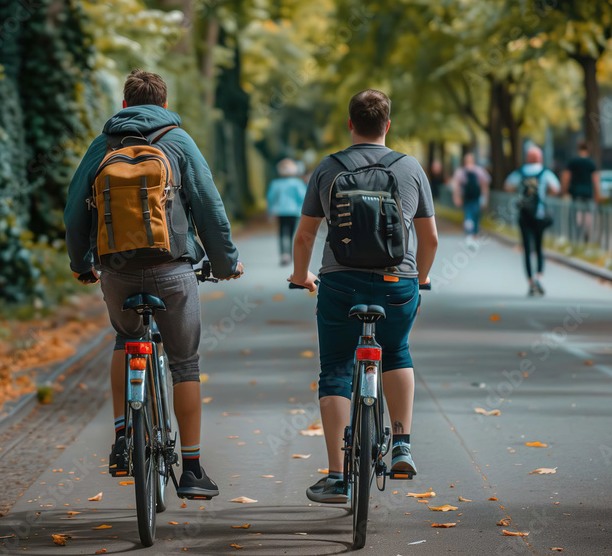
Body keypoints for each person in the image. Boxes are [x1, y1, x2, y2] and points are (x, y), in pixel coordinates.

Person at [63, 69, 244, 499]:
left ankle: (123, 436)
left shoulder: (105, 143)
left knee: (125, 341)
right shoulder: (178, 141)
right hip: (173, 269)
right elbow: (208, 205)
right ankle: (194, 470)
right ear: (164, 105)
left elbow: (74, 210)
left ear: (124, 105)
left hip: (117, 272)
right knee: (185, 364)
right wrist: (225, 263)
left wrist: (83, 262)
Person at [289, 89, 439, 504]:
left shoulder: (329, 168)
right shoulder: (410, 168)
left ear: (351, 124)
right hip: (397, 283)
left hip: (340, 283)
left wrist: (301, 276)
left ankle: (338, 476)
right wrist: (420, 278)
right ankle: (403, 444)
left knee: (335, 368)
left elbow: (304, 234)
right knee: (397, 350)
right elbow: (430, 238)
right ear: (387, 125)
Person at [503, 146, 561, 296]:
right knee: (539, 246)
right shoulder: (545, 173)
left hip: (524, 214)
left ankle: (531, 280)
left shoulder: (520, 172)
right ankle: (539, 277)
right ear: (540, 158)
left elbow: (507, 186)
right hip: (540, 214)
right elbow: (556, 188)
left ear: (527, 158)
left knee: (527, 249)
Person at [266, 158, 308, 266]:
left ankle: (284, 254)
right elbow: (303, 197)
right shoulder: (297, 183)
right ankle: (293, 254)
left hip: (280, 211)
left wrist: (270, 211)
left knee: (282, 233)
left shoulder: (275, 183)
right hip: (295, 212)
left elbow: (271, 197)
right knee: (293, 233)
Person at [560, 140, 600, 243]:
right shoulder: (591, 163)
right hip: (588, 193)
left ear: (578, 149)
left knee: (577, 214)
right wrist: (598, 194)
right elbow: (595, 179)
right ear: (588, 150)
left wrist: (563, 191)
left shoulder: (573, 162)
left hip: (576, 193)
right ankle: (586, 234)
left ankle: (577, 235)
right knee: (588, 215)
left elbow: (566, 177)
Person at [451, 153, 490, 247]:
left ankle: (471, 235)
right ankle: (472, 235)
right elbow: (484, 184)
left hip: (472, 197)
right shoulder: (477, 170)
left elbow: (484, 184)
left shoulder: (463, 171)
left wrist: (456, 197)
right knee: (472, 215)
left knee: (471, 216)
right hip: (471, 197)